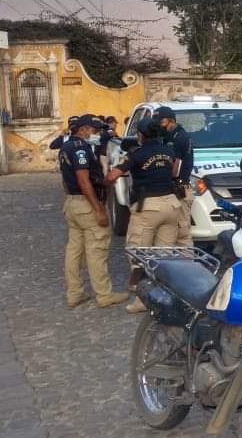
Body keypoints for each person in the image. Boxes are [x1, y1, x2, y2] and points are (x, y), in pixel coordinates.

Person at [106, 117, 182, 314]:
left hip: (148, 207)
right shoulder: (168, 151)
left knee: (138, 254)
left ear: (141, 134)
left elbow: (113, 176)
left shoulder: (136, 154)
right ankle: (165, 297)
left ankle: (143, 300)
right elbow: (175, 172)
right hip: (171, 205)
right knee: (164, 256)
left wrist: (106, 179)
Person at [59, 114, 129, 309]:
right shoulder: (80, 149)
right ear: (83, 129)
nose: (97, 134)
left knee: (74, 251)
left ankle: (74, 293)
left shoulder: (66, 147)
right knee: (97, 250)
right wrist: (99, 209)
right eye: (95, 131)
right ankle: (104, 295)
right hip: (86, 204)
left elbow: (66, 180)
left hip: (73, 204)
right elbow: (83, 180)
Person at [153, 106, 195, 247]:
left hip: (180, 188)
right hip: (173, 189)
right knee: (169, 231)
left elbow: (175, 170)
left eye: (161, 122)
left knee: (182, 232)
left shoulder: (179, 138)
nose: (159, 126)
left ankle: (187, 265)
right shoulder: (167, 136)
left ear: (171, 121)